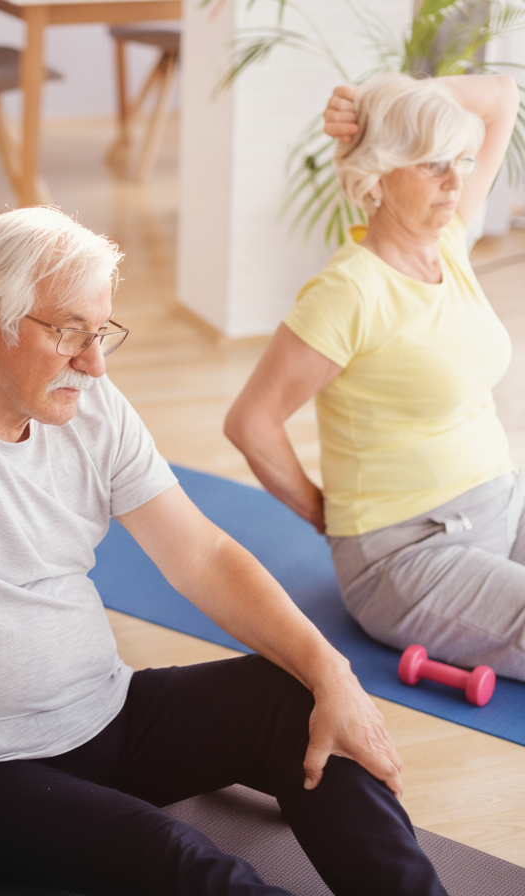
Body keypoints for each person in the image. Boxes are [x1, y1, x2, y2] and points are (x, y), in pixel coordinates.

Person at [0, 207, 446, 895]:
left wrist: (335, 677)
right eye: (66, 332)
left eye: (101, 333)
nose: (91, 361)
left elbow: (202, 556)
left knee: (301, 700)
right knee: (174, 855)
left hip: (106, 715)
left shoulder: (89, 403)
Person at [224, 72, 523, 680]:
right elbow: (251, 423)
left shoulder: (449, 240)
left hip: (502, 509)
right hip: (410, 556)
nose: (456, 180)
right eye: (433, 164)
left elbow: (500, 97)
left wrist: (380, 95)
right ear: (378, 177)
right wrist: (325, 515)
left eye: (460, 161)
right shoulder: (349, 292)